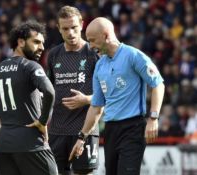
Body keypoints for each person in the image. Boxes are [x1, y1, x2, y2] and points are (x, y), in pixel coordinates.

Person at [69, 17, 165, 175]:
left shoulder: (133, 55)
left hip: (133, 128)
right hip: (111, 130)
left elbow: (158, 84)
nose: (91, 46)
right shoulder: (100, 65)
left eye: (92, 40)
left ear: (106, 35)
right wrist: (82, 137)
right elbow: (96, 106)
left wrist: (153, 117)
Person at [0, 21, 58, 175]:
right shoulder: (30, 66)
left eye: (43, 43)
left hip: (5, 145)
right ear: (21, 42)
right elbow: (50, 91)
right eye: (36, 42)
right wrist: (43, 122)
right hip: (31, 142)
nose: (42, 48)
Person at [46, 6, 99, 175]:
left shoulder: (93, 54)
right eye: (65, 28)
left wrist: (87, 99)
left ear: (82, 25)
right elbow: (49, 91)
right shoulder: (54, 54)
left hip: (85, 130)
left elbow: (109, 93)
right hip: (57, 131)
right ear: (59, 28)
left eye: (74, 27)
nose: (70, 33)